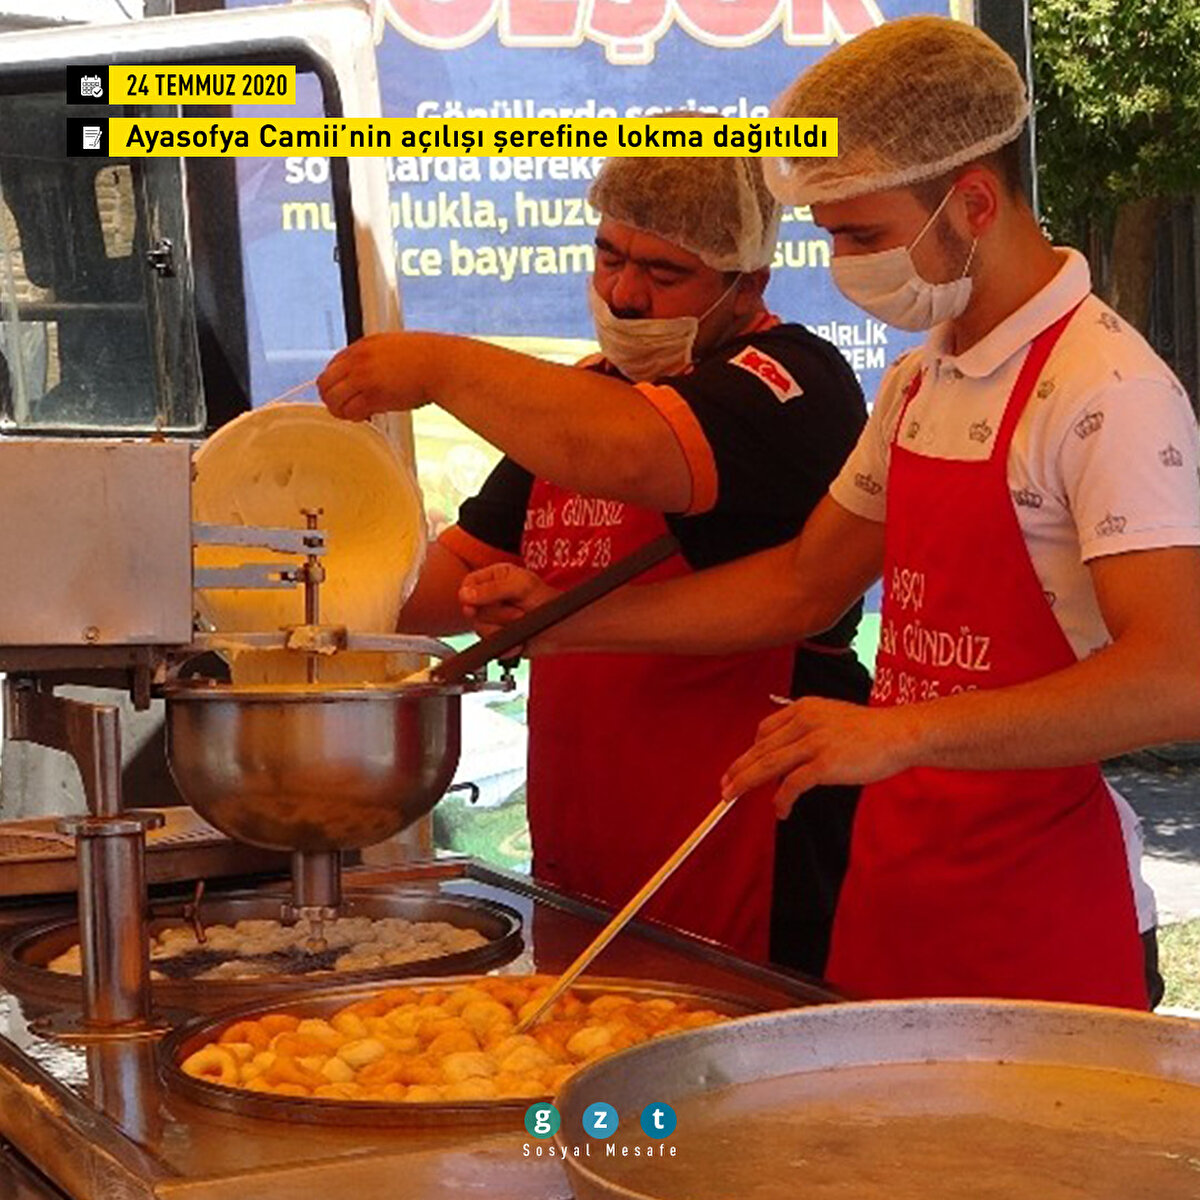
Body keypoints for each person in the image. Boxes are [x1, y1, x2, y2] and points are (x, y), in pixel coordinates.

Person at [455, 17, 1200, 1009]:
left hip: (1037, 917)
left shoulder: (1107, 391)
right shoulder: (920, 381)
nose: (843, 264)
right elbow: (803, 584)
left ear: (974, 203)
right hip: (890, 892)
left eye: (863, 236)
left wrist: (905, 732)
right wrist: (566, 621)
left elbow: (1176, 678)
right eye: (831, 234)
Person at [319, 153, 869, 970]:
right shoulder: (587, 395)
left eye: (664, 273)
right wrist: (291, 590)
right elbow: (445, 579)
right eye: (610, 257)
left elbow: (629, 451)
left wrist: (438, 366)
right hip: (589, 855)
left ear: (746, 283)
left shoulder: (789, 378)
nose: (624, 294)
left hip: (745, 850)